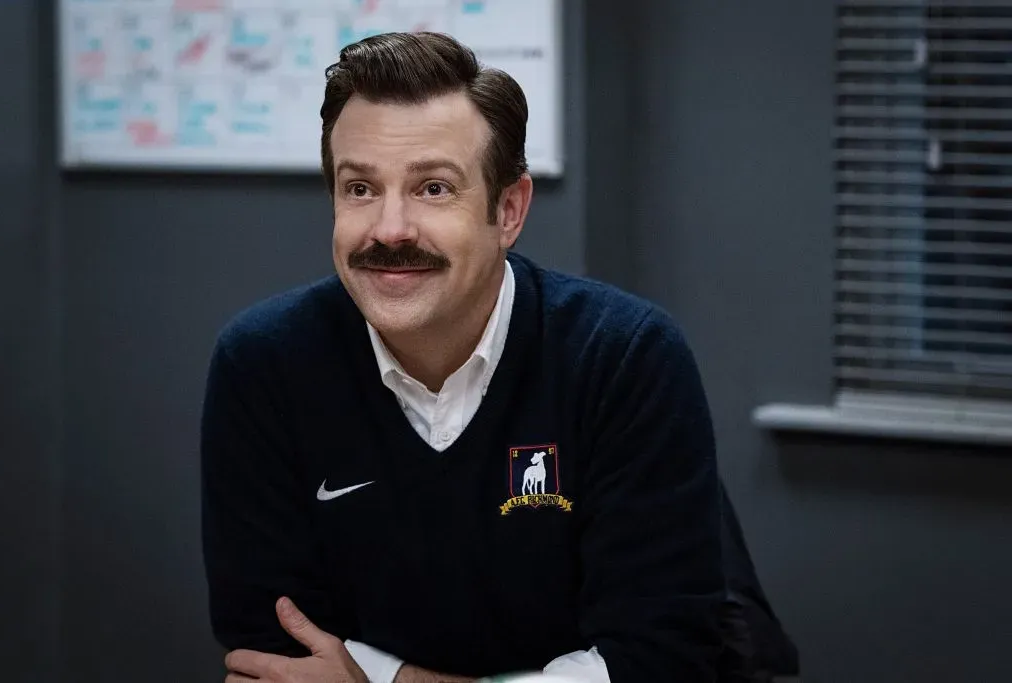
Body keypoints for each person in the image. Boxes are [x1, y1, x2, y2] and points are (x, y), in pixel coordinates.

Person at [201, 31, 794, 683]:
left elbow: (659, 659)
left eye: (433, 188)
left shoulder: (624, 356)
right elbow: (272, 650)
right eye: (360, 188)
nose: (389, 229)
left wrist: (388, 680)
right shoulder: (264, 364)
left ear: (508, 210)